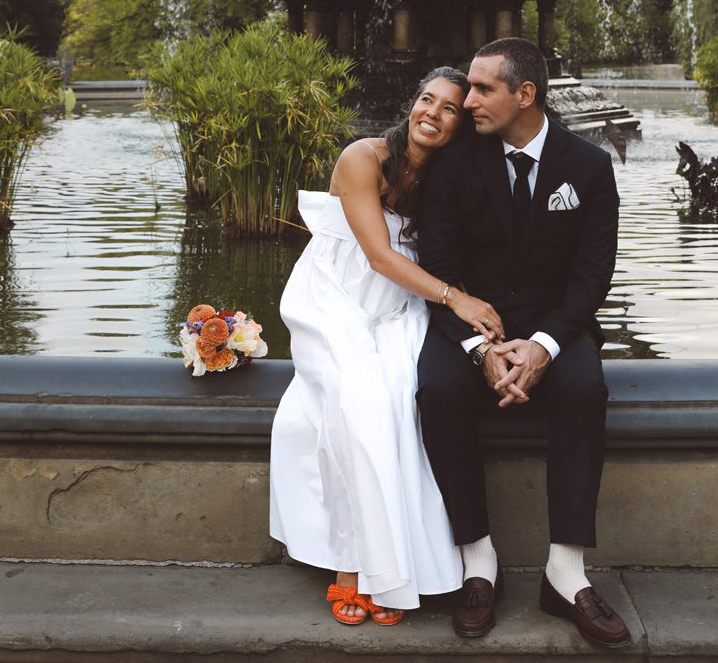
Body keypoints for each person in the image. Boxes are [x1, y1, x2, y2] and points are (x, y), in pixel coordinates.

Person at [269, 67, 505, 628]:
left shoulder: (443, 179)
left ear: (460, 124)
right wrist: (457, 299)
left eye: (450, 108)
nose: (433, 114)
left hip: (398, 305)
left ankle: (396, 566)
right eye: (427, 100)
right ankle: (352, 566)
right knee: (360, 399)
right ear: (412, 103)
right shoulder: (364, 157)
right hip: (334, 299)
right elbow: (377, 256)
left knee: (405, 393)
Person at [416, 38, 631, 648]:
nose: (468, 101)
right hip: (467, 325)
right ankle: (478, 561)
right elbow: (438, 268)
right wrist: (482, 349)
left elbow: (593, 275)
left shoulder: (589, 165)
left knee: (585, 389)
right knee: (437, 390)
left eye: (483, 89)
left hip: (556, 324)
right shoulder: (454, 163)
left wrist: (542, 345)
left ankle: (566, 572)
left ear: (525, 95)